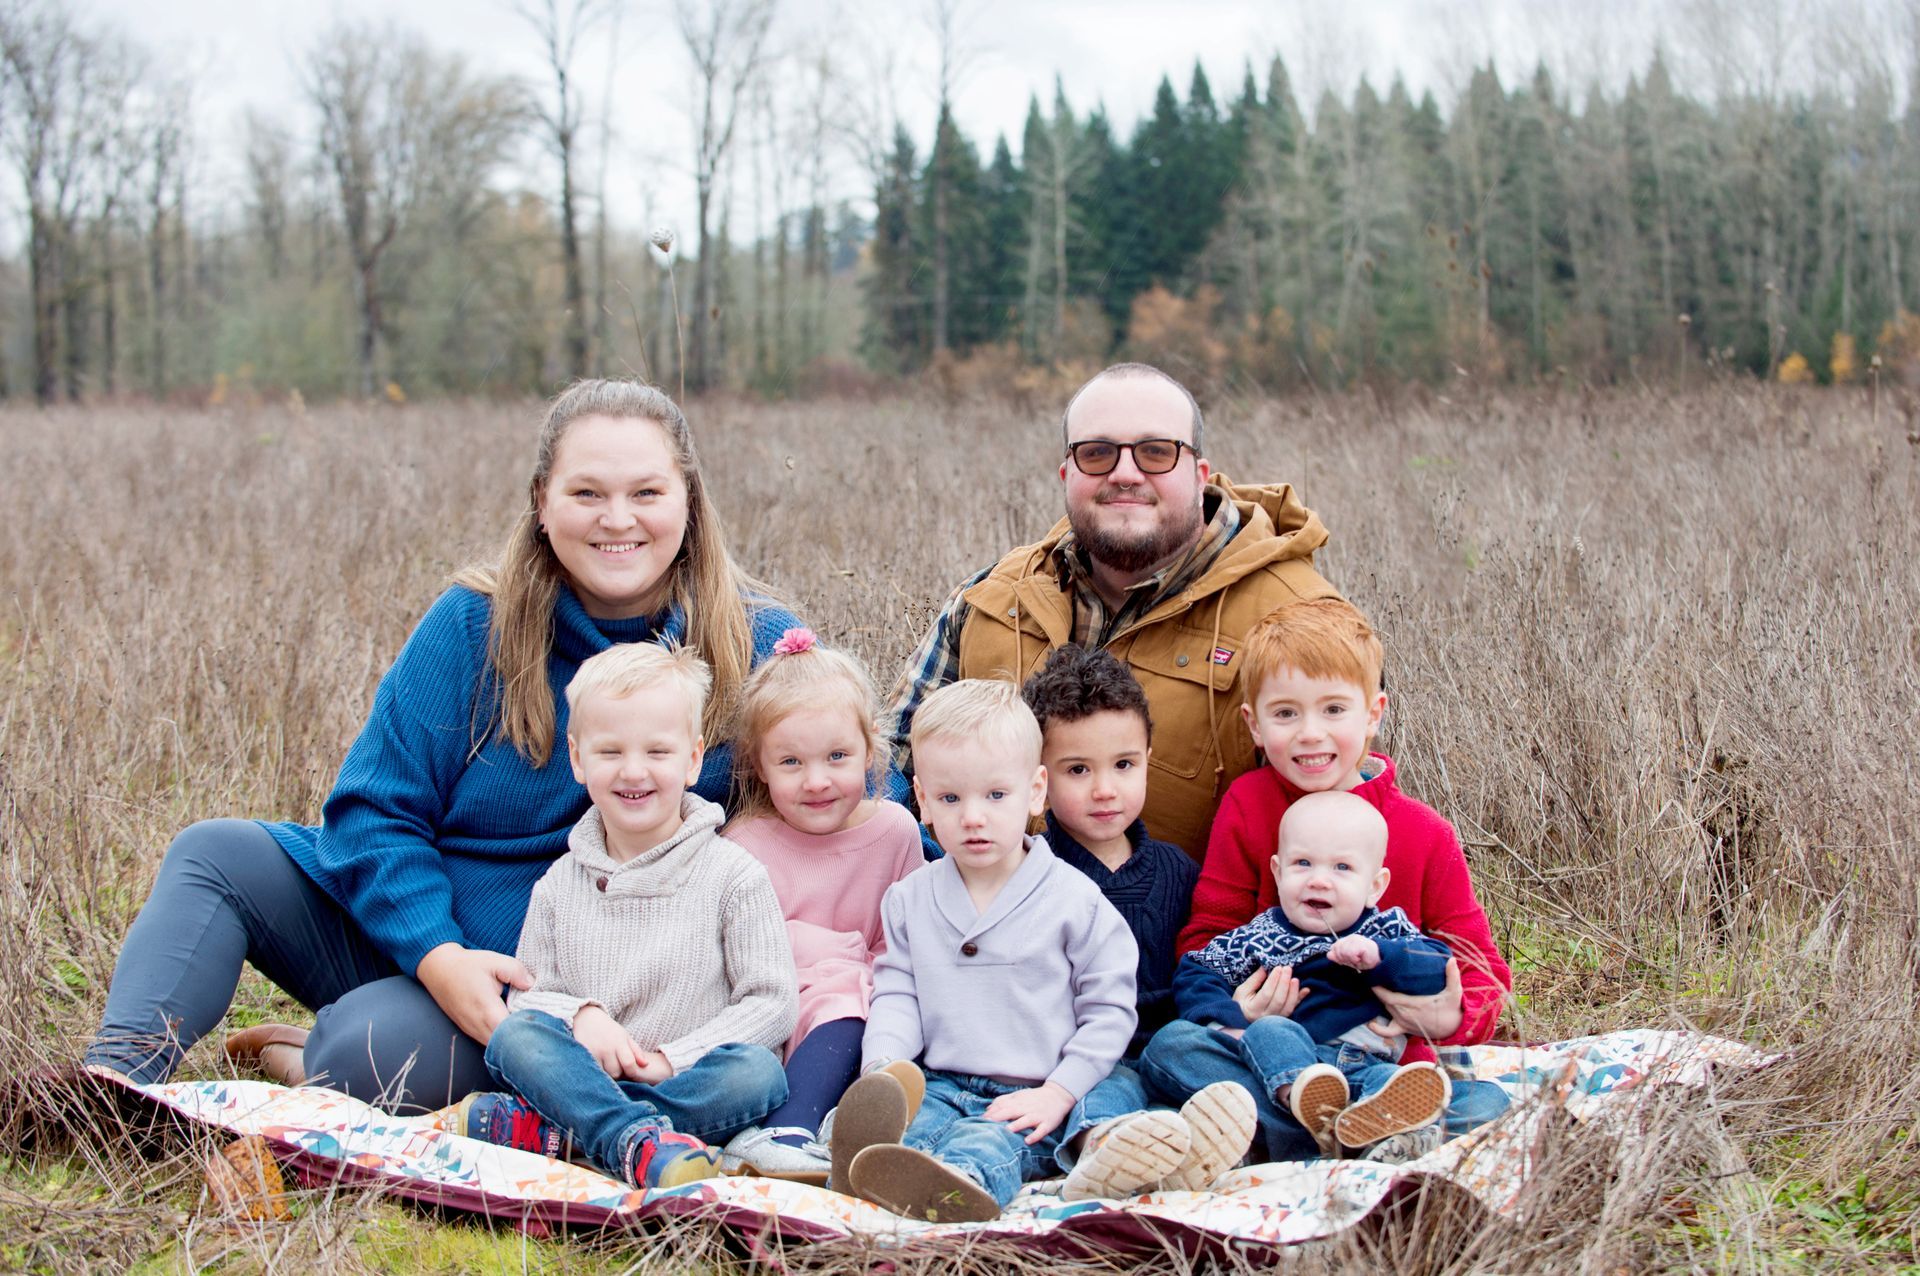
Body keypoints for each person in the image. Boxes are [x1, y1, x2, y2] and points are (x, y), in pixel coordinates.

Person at [84, 379, 803, 1111]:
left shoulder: (759, 647)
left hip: (565, 997)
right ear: (541, 502)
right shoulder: (472, 625)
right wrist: (438, 957)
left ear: (689, 501)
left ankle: (308, 1057)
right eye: (586, 493)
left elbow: (845, 817)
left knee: (365, 1054)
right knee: (216, 854)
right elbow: (372, 811)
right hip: (423, 944)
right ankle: (110, 1090)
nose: (617, 519)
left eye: (647, 493)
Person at [886, 362, 1339, 861]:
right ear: (1067, 473)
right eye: (1097, 453)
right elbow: (889, 767)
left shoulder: (1298, 619)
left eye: (1156, 452)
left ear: (1199, 473)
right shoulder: (992, 597)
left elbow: (1337, 836)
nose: (1126, 474)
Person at [830, 679, 1222, 1222]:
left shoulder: (1074, 902)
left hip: (1035, 1090)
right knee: (911, 1132)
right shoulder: (910, 899)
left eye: (996, 796)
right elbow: (898, 993)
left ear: (1035, 791)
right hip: (942, 1081)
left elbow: (1109, 1010)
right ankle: (872, 1167)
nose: (973, 817)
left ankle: (955, 1189)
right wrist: (886, 1067)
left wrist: (1060, 1093)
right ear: (922, 800)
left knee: (991, 1146)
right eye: (950, 798)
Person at [1145, 597, 1515, 1160]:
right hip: (1267, 1045)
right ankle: (1353, 1131)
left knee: (1485, 1102)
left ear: (1373, 713)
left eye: (1334, 710)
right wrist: (1235, 1011)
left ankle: (1313, 1130)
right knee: (1169, 1049)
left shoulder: (1423, 833)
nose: (1310, 734)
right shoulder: (1248, 806)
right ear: (1256, 725)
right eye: (1287, 713)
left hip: (1384, 1059)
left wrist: (1449, 1015)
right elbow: (1207, 936)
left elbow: (1482, 968)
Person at [452, 643, 795, 1190]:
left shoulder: (734, 876)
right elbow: (530, 993)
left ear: (692, 759)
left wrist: (670, 1060)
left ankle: (569, 1136)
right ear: (578, 757)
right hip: (584, 1073)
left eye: (657, 752)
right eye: (610, 752)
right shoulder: (560, 883)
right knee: (516, 1037)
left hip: (684, 1079)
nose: (633, 771)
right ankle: (635, 1144)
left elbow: (771, 1003)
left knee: (759, 1074)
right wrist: (581, 1017)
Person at [716, 628, 926, 1181]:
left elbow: (901, 944)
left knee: (873, 1004)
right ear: (759, 765)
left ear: (870, 749)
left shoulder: (894, 831)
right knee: (831, 995)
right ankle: (780, 1129)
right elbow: (733, 958)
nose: (817, 781)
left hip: (862, 1011)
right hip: (773, 1011)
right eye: (790, 762)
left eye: (837, 756)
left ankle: (838, 1131)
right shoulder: (745, 845)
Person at [1170, 791, 1463, 1161]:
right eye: (1303, 863)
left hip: (1365, 1062)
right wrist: (1232, 1020)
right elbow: (1199, 969)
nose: (1319, 881)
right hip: (1283, 1060)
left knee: (1456, 1093)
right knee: (1194, 1039)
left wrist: (1379, 957)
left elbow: (1437, 964)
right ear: (1278, 872)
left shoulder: (1385, 930)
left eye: (1342, 868)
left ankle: (1366, 1125)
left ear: (1375, 886)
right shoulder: (1263, 934)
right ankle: (1314, 1108)